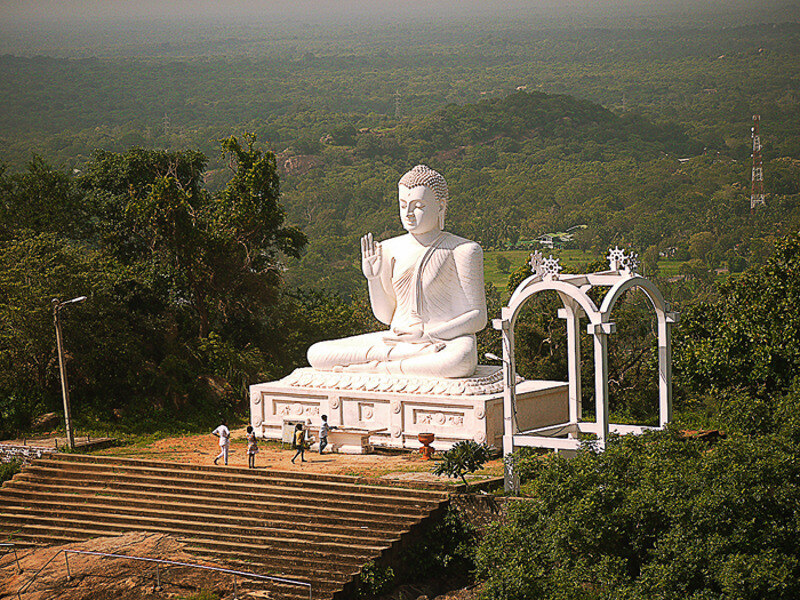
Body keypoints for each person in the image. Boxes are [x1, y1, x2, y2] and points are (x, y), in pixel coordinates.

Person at [307, 165, 487, 378]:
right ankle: (395, 365)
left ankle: (376, 369)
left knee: (459, 361)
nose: (409, 214)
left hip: (443, 341)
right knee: (317, 353)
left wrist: (427, 335)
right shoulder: (388, 248)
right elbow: (386, 316)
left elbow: (478, 317)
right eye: (403, 206)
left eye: (418, 206)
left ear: (440, 207)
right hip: (397, 340)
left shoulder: (464, 250)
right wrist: (372, 279)